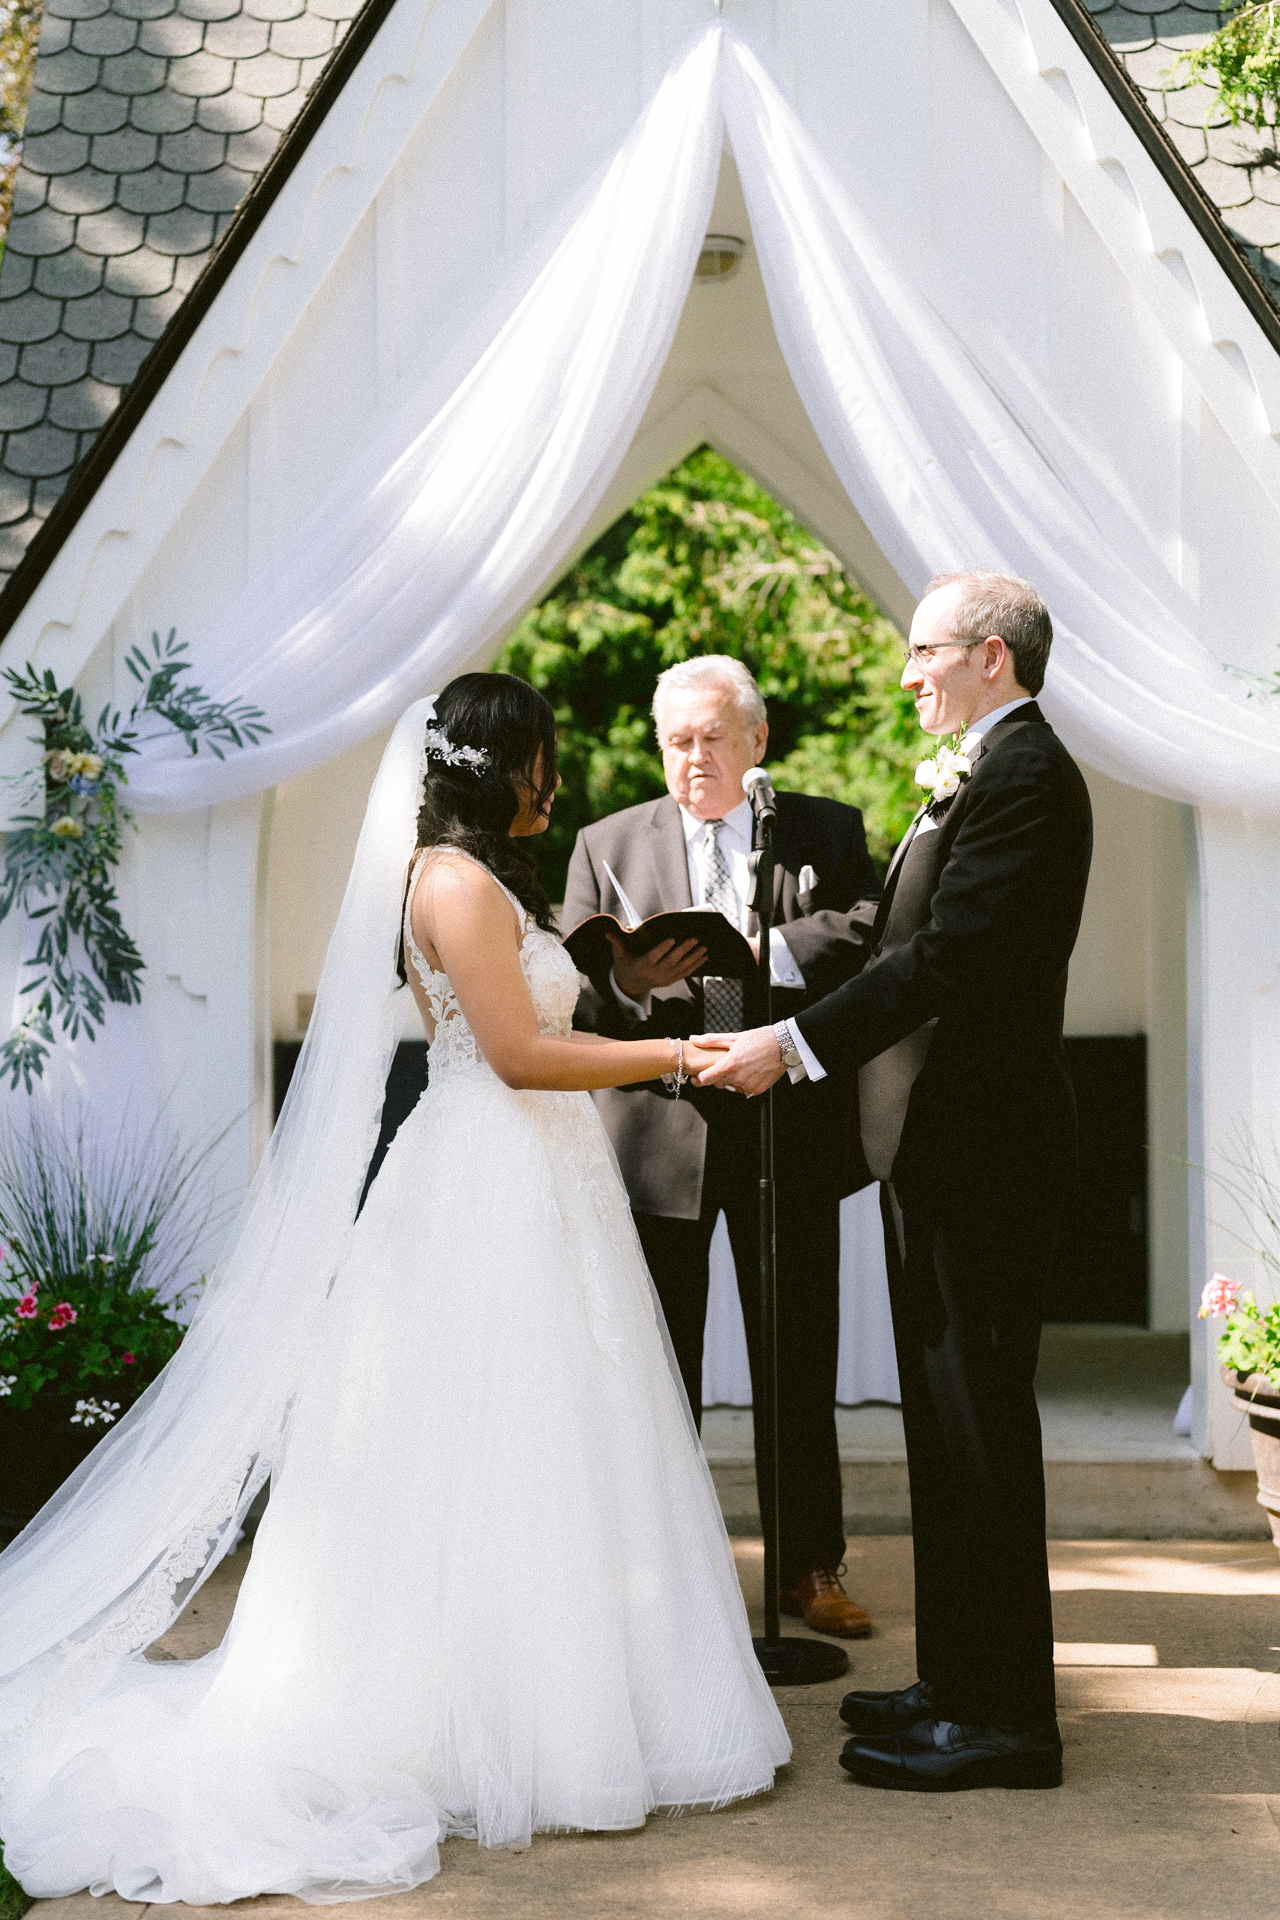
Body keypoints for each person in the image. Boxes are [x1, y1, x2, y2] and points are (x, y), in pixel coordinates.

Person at [0, 676, 789, 1904]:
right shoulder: (452, 883)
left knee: (564, 1448)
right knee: (476, 1442)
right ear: (493, 766)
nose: (553, 777)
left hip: (544, 1180)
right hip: (488, 1182)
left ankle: (557, 1701)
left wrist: (619, 978)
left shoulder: (489, 881)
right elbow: (519, 1057)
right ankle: (467, 1724)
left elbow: (534, 1015)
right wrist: (686, 1055)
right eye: (537, 757)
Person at [696, 574, 1093, 1791]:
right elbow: (894, 943)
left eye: (921, 653)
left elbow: (951, 956)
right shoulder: (981, 765)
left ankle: (1008, 1724)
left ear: (988, 655)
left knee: (976, 1431)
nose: (904, 674)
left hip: (985, 1152)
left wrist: (792, 1047)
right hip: (936, 1149)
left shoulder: (1023, 774)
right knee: (940, 1430)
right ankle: (960, 1683)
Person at [563, 656, 882, 1639]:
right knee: (656, 1361)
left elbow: (870, 925)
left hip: (785, 1129)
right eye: (676, 742)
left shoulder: (820, 829)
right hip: (657, 1134)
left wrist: (763, 954)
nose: (692, 758)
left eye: (709, 738)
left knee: (794, 1350)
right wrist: (625, 979)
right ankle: (655, 1575)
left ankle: (807, 1568)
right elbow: (574, 989)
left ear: (755, 742)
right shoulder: (604, 840)